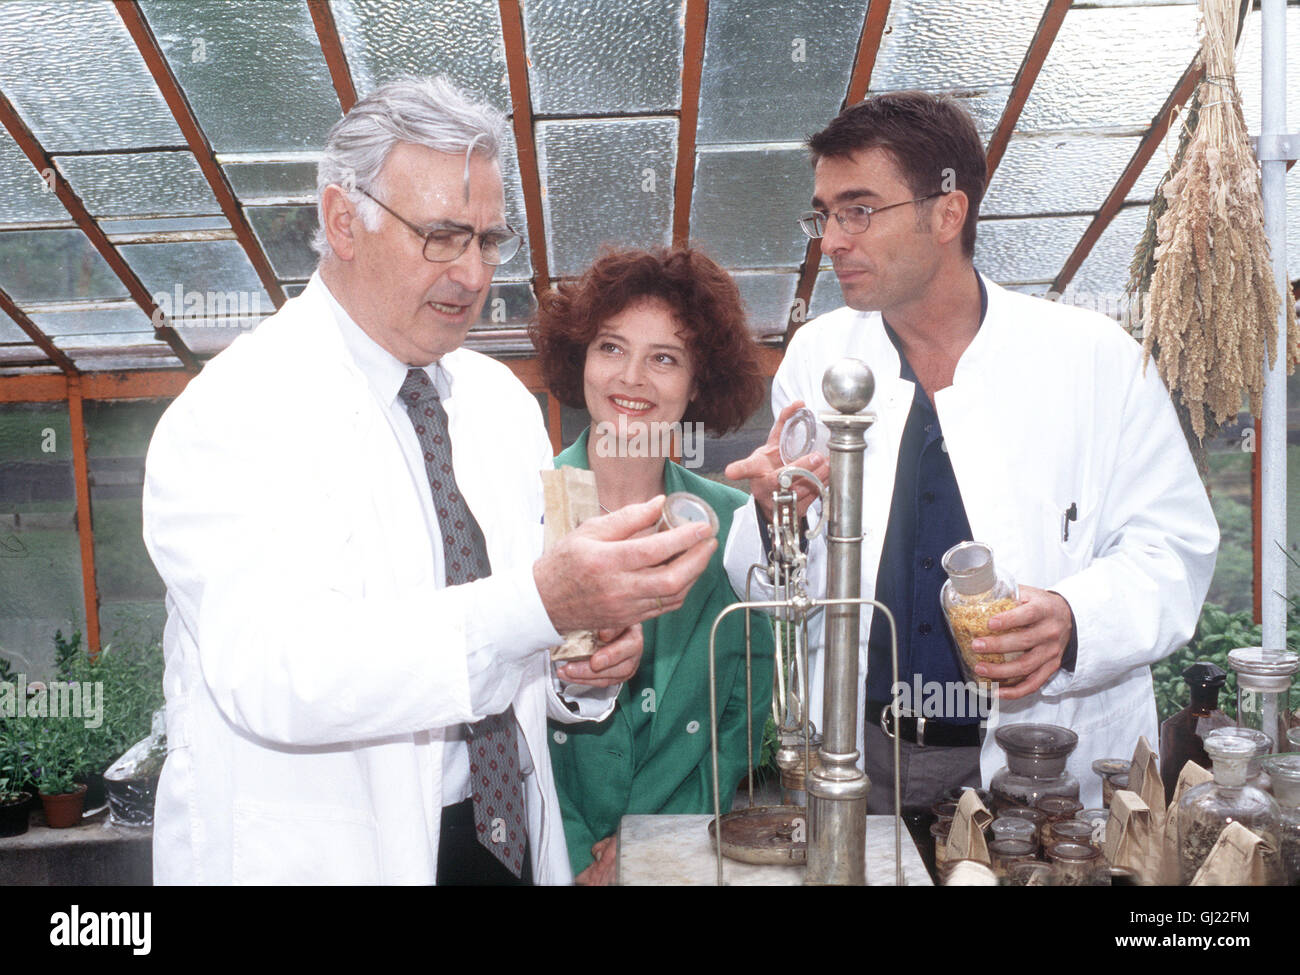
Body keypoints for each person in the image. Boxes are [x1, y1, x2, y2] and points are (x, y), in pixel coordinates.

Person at [142, 77, 717, 885]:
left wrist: (578, 665)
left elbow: (512, 644)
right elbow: (280, 674)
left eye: (489, 241)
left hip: (503, 841)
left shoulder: (496, 403)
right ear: (344, 220)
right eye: (442, 236)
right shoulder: (236, 413)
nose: (474, 273)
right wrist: (542, 604)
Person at [724, 91, 1219, 813]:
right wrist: (777, 517)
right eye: (824, 213)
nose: (831, 239)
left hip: (1047, 762)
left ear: (948, 212)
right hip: (865, 761)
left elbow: (1173, 549)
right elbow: (776, 592)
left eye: (859, 209)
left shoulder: (1094, 358)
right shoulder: (819, 357)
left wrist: (1074, 618)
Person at [529, 247, 775, 885]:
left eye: (664, 358)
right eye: (611, 348)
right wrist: (577, 853)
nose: (631, 378)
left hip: (684, 853)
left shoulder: (732, 523)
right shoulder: (521, 509)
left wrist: (657, 842)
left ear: (698, 383)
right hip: (549, 849)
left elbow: (748, 711)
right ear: (579, 357)